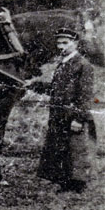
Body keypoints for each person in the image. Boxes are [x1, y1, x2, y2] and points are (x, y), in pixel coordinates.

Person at [26, 28, 97, 193]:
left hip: (73, 115)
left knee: (76, 149)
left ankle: (77, 185)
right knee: (60, 148)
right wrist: (34, 85)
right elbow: (56, 88)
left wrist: (79, 118)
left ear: (76, 44)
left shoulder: (83, 65)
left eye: (65, 43)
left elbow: (85, 95)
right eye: (58, 43)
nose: (60, 46)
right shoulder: (63, 63)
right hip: (59, 114)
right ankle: (64, 181)